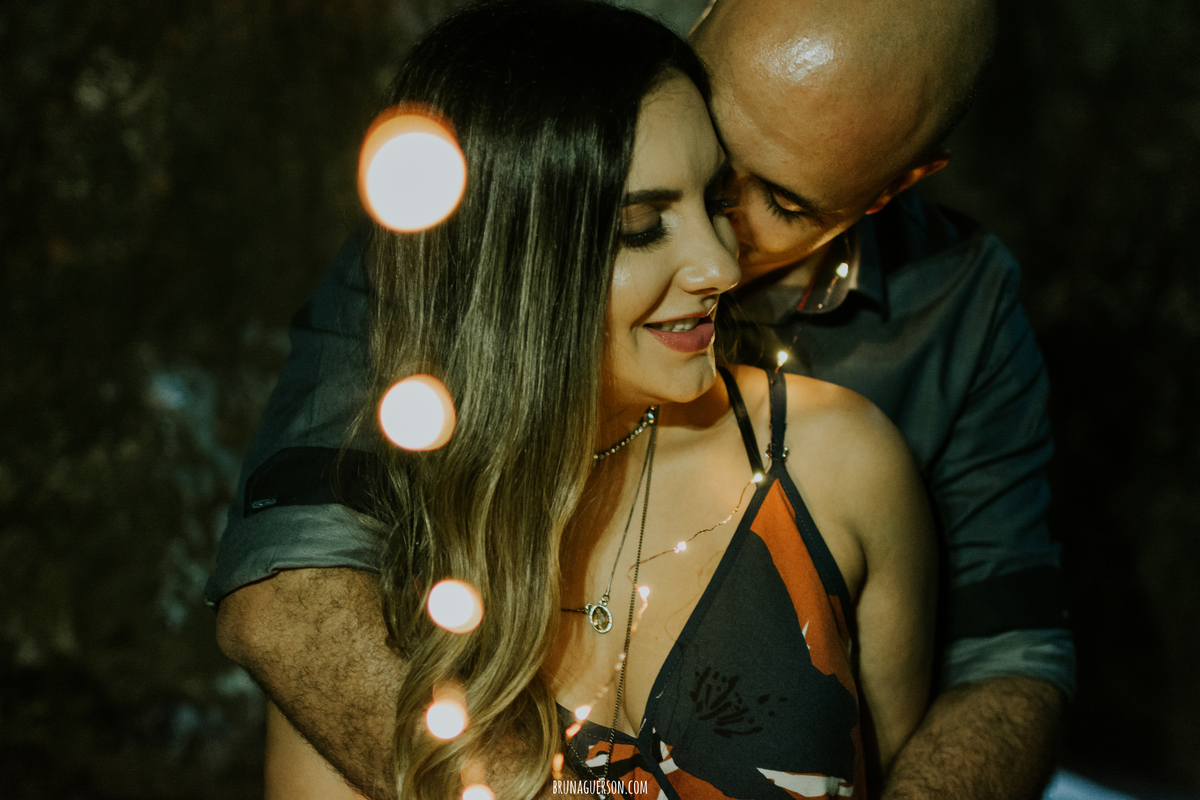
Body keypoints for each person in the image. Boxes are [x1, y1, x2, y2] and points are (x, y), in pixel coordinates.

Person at [211, 0, 1074, 797]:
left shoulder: (940, 340)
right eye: (654, 207)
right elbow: (292, 580)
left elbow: (1009, 662)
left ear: (894, 187)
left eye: (772, 201)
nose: (721, 257)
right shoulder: (498, 193)